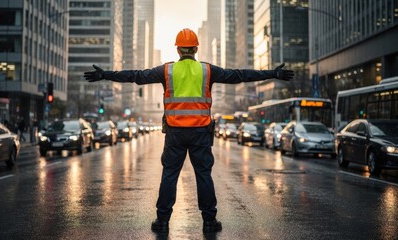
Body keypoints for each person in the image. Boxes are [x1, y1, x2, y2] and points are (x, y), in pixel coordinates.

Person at [84, 28, 294, 233]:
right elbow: (239, 75)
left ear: (178, 50)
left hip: (175, 133)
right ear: (195, 49)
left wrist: (105, 75)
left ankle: (163, 221)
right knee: (203, 175)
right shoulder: (207, 70)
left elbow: (136, 76)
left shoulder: (166, 70)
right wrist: (272, 73)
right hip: (200, 133)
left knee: (170, 174)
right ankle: (210, 222)